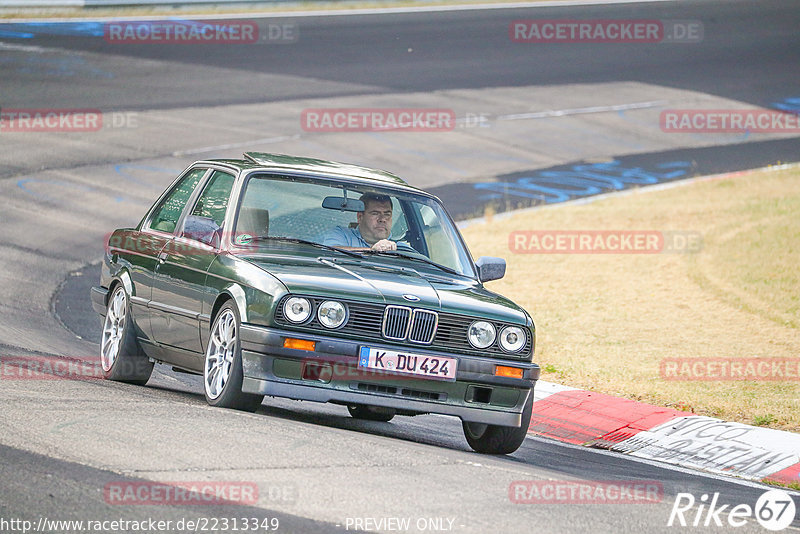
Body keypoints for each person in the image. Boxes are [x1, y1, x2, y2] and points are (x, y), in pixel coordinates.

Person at [322, 192, 407, 252]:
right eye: (375, 213)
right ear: (360, 217)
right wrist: (373, 251)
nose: (382, 219)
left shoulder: (402, 249)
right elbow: (331, 252)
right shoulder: (341, 234)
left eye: (387, 214)